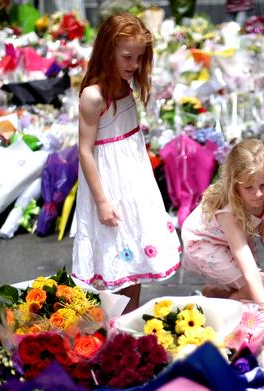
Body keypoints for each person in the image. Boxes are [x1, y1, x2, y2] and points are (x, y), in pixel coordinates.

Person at [72, 12, 181, 313]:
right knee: (115, 255)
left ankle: (131, 319)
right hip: (108, 183)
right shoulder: (94, 96)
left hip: (133, 177)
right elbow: (85, 151)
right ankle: (115, 323)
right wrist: (102, 201)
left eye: (138, 58)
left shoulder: (125, 86)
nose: (133, 65)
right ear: (108, 51)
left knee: (135, 253)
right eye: (127, 57)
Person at [181, 138, 264, 315]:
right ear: (234, 184)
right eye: (249, 188)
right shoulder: (228, 211)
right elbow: (249, 270)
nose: (258, 193)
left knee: (256, 294)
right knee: (256, 292)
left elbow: (262, 209)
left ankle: (214, 295)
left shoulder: (260, 190)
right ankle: (211, 313)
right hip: (205, 243)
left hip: (232, 235)